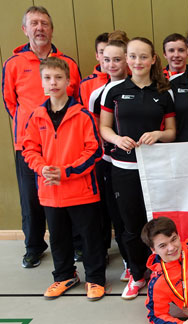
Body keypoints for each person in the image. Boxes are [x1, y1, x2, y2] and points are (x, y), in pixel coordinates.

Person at [2, 6, 81, 269]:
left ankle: (76, 244)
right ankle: (34, 247)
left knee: (69, 193)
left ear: (52, 29)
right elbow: (10, 104)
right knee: (31, 199)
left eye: (44, 23)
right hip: (29, 145)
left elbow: (77, 101)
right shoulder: (13, 64)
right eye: (33, 23)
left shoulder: (68, 63)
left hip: (65, 143)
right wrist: (30, 128)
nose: (39, 28)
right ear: (24, 30)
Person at [22, 57, 106, 301]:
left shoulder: (83, 115)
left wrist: (67, 171)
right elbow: (29, 149)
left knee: (90, 238)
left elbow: (94, 151)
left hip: (81, 190)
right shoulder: (37, 116)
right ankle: (64, 276)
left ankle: (95, 279)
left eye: (58, 77)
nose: (53, 82)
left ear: (68, 81)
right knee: (58, 238)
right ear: (42, 83)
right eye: (47, 78)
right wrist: (42, 168)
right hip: (50, 192)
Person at [100, 37, 176, 299]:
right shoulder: (114, 91)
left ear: (153, 59)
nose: (137, 62)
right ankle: (137, 274)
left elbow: (172, 132)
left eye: (143, 56)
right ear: (126, 59)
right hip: (124, 169)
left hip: (157, 170)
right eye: (132, 56)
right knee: (131, 226)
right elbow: (104, 128)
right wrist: (117, 139)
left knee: (158, 223)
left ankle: (162, 271)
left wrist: (158, 134)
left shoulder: (164, 93)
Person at [88, 38, 132, 282]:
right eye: (107, 60)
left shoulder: (139, 87)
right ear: (101, 61)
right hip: (110, 161)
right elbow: (97, 129)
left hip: (139, 162)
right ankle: (128, 261)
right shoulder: (98, 94)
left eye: (117, 59)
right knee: (119, 215)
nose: (112, 64)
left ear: (127, 60)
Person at [77, 32, 111, 263]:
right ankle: (102, 250)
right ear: (97, 56)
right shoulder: (88, 86)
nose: (108, 60)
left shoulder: (133, 82)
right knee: (100, 206)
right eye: (103, 54)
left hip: (122, 156)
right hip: (97, 154)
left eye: (114, 55)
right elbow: (82, 120)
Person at [79, 32, 110, 107]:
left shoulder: (128, 79)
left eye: (109, 51)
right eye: (102, 52)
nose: (106, 56)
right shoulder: (85, 85)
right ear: (97, 56)